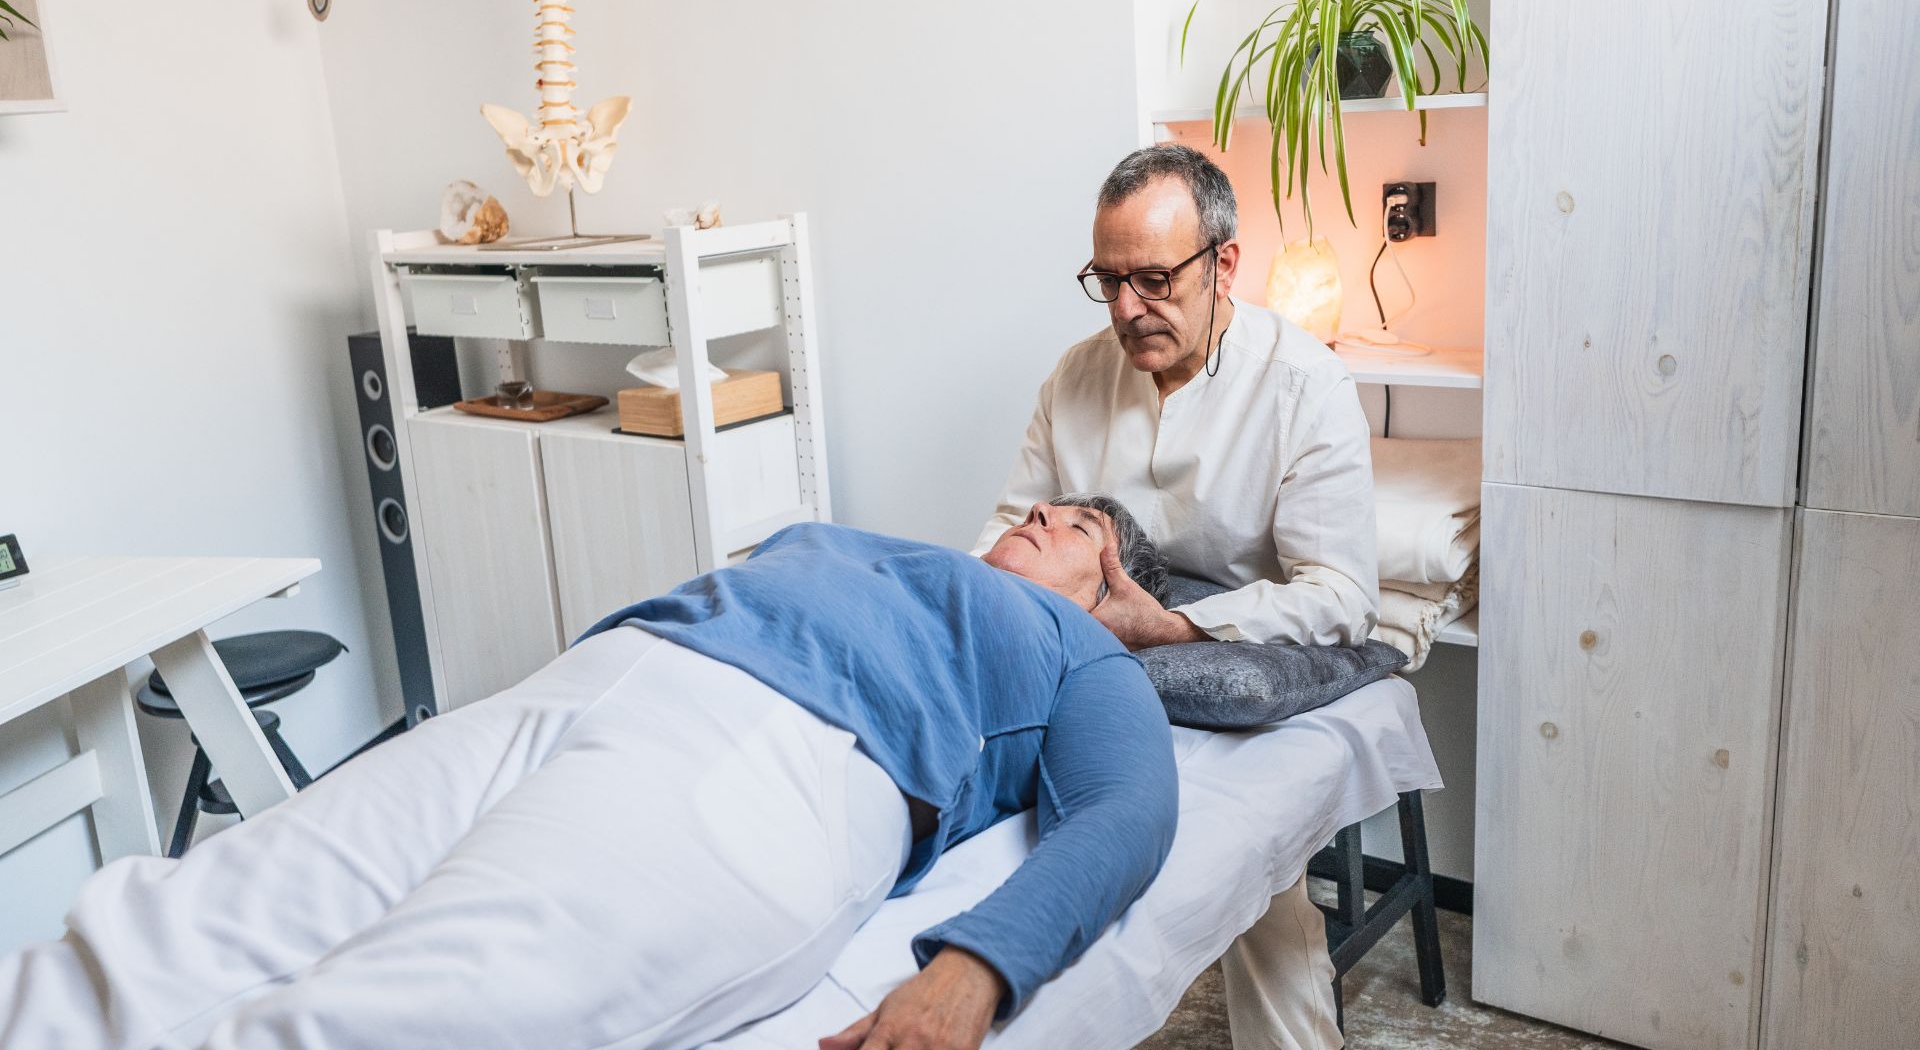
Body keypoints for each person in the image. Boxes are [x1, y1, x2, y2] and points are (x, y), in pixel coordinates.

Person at [0, 502, 1178, 1050]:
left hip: (777, 760)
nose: (1034, 511)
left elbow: (1129, 813)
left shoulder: (1074, 649)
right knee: (180, 921)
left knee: (389, 1019)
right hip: (580, 682)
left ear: (1111, 572)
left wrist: (973, 971)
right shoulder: (865, 538)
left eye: (1071, 520)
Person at [974, 145, 1379, 1050]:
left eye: (1153, 279)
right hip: (1085, 658)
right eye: (1107, 280)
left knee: (1248, 865)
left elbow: (1342, 594)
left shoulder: (1304, 386)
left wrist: (1173, 627)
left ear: (1224, 263)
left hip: (1236, 655)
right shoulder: (1078, 376)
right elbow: (1004, 528)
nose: (1127, 309)